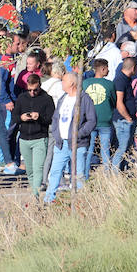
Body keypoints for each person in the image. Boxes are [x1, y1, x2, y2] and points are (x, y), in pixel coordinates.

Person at [43, 71, 95, 204]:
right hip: (61, 144)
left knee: (78, 174)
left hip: (78, 144)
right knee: (55, 172)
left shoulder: (84, 99)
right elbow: (56, 118)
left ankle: (80, 202)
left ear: (72, 83)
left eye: (64, 81)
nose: (61, 83)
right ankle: (48, 200)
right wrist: (56, 133)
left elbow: (91, 121)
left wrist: (78, 134)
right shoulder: (63, 98)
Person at [12, 71, 56, 200]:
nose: (32, 93)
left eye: (35, 90)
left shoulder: (46, 98)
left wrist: (40, 117)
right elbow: (14, 117)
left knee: (38, 169)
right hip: (24, 138)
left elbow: (51, 118)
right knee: (30, 170)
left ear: (39, 86)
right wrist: (21, 117)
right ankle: (34, 193)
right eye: (30, 90)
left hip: (40, 138)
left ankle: (35, 196)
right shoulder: (22, 98)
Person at [82, 59, 116, 170]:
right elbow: (114, 101)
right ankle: (107, 175)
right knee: (105, 151)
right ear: (102, 69)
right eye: (107, 68)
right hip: (105, 121)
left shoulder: (85, 83)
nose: (108, 70)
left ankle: (84, 177)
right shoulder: (109, 84)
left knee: (88, 151)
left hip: (89, 121)